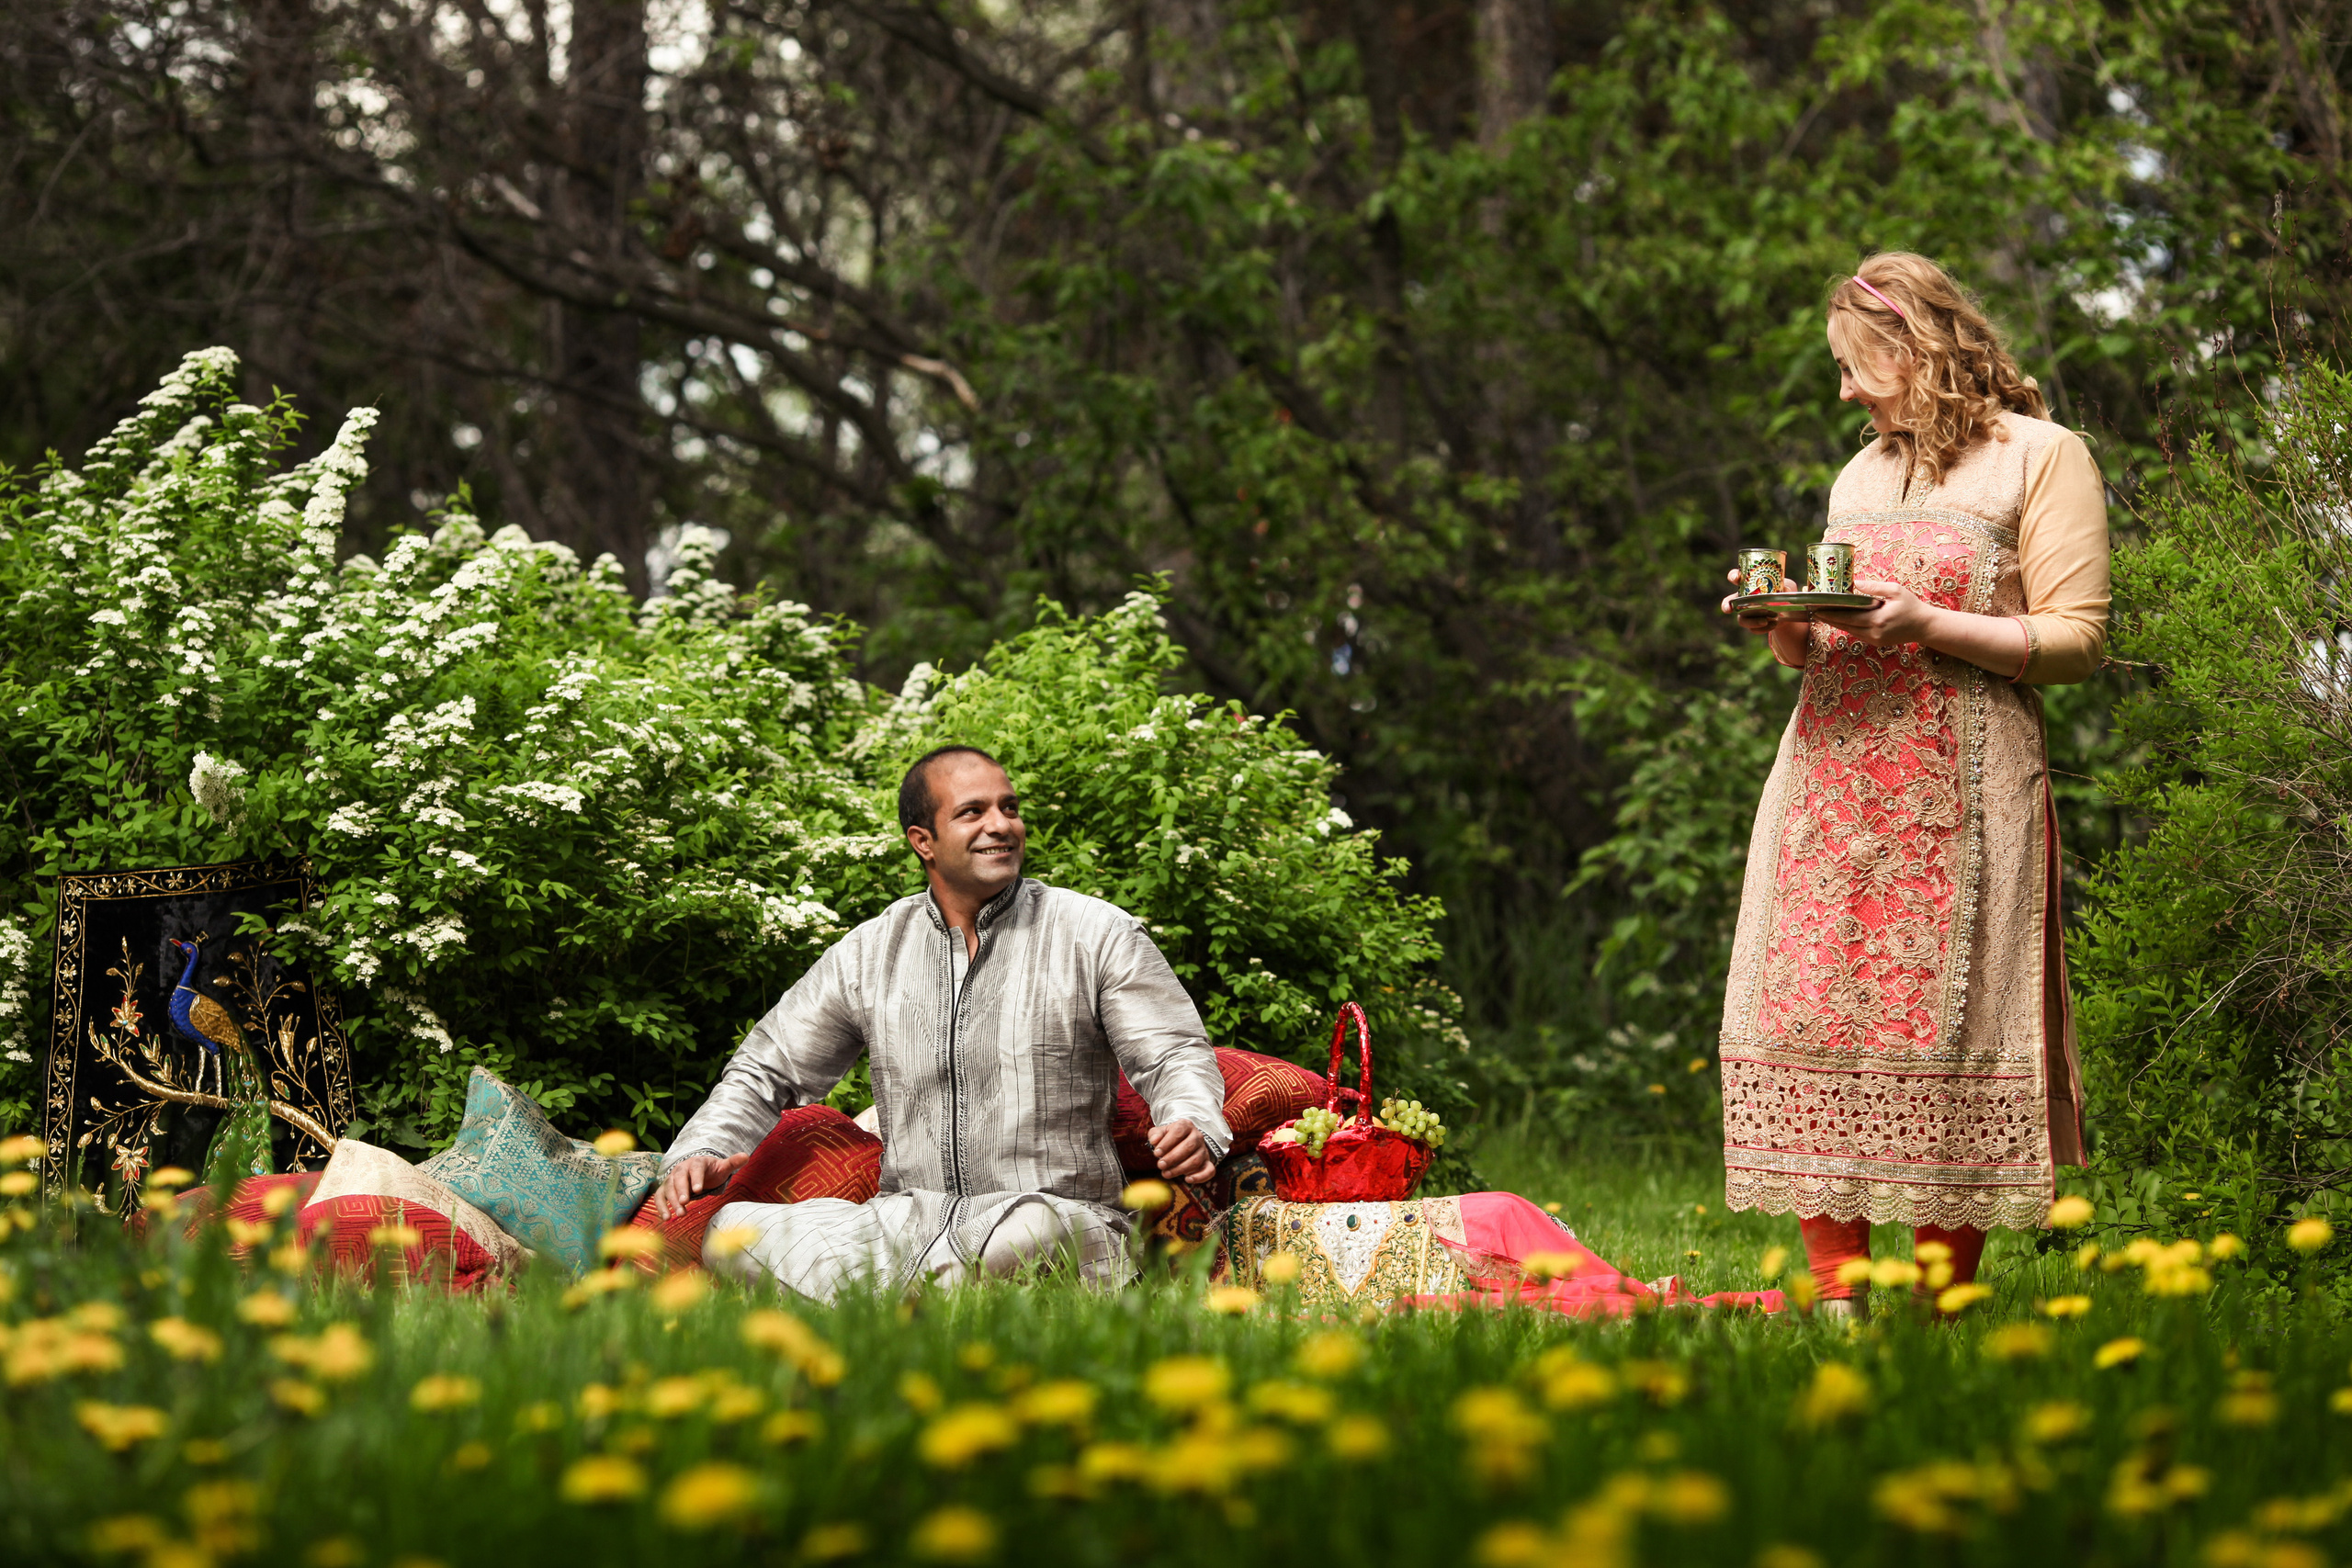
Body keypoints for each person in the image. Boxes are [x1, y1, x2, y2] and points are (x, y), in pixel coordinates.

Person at [1716, 252, 2109, 1316]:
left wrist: (1929, 622)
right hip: (1828, 781)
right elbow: (1820, 647)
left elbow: (2077, 641)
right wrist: (1785, 629)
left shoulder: (2041, 455)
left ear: (1912, 347)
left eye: (1854, 366)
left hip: (1962, 781)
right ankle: (1837, 1303)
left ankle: (1941, 1309)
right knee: (1813, 1009)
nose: (1843, 390)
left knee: (1951, 1022)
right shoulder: (1857, 475)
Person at [653, 745, 1229, 1301]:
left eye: (1009, 807)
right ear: (923, 841)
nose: (1001, 825)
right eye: (973, 812)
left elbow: (1174, 1053)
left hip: (1050, 1215)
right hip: (904, 1224)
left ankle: (879, 1322)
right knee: (733, 1233)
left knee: (1027, 1236)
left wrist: (1193, 1122)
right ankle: (912, 1315)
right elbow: (767, 1066)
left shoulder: (1094, 933)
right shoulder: (872, 951)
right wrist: (702, 1149)